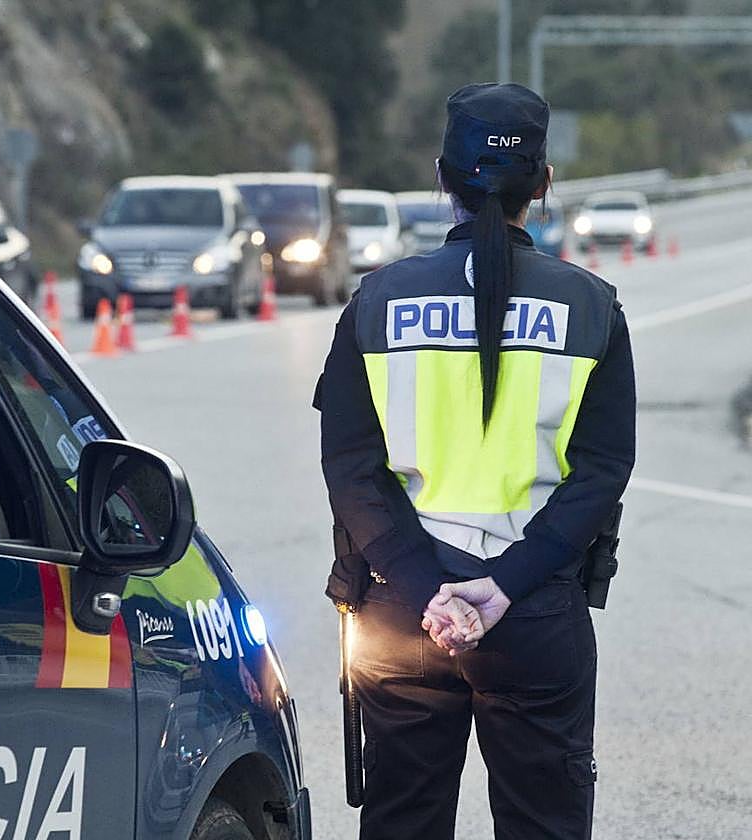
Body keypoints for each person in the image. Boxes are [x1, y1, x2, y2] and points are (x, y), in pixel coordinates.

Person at [317, 83, 636, 839]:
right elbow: (602, 471)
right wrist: (503, 587)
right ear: (545, 182)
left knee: (402, 821)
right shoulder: (591, 306)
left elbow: (351, 468)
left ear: (442, 179)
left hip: (400, 611)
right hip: (534, 612)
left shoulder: (376, 301)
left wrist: (431, 590)